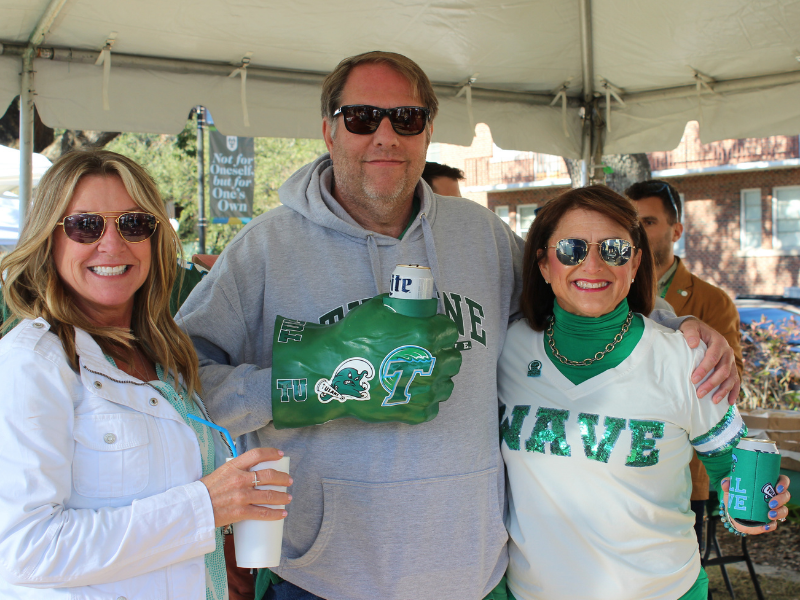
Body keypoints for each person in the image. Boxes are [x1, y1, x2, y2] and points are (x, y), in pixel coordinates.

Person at [177, 51, 741, 600]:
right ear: (329, 132)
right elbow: (180, 384)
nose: (385, 135)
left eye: (406, 118)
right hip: (325, 578)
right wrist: (312, 381)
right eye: (361, 118)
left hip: (474, 576)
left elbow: (577, 286)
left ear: (426, 132)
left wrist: (680, 324)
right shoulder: (266, 248)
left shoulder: (480, 235)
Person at [0, 150, 292, 600]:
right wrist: (204, 507)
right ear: (49, 239)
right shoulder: (32, 363)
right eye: (85, 225)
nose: (113, 245)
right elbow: (24, 549)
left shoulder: (164, 354)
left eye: (134, 224)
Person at [497, 185, 791, 600]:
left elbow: (735, 470)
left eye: (614, 249)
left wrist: (748, 514)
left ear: (635, 262)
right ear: (544, 263)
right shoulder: (506, 350)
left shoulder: (687, 359)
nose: (592, 264)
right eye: (571, 249)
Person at [626, 178, 743, 544]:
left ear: (676, 230)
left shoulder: (712, 301)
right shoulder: (610, 291)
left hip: (683, 468)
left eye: (648, 222)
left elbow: (727, 382)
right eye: (632, 224)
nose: (639, 232)